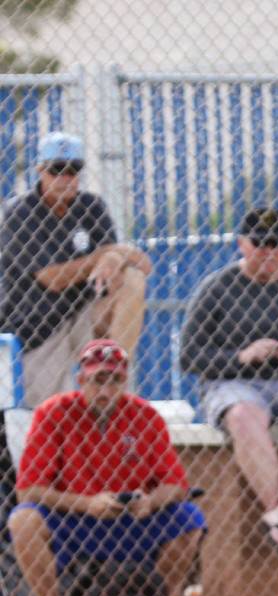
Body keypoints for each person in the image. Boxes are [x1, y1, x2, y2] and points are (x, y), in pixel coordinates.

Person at [7, 339, 206, 596]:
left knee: (189, 518)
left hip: (132, 520)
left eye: (114, 380)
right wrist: (86, 504)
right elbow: (28, 490)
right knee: (23, 521)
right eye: (97, 380)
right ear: (81, 379)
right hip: (74, 519)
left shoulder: (144, 415)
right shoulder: (54, 412)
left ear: (124, 381)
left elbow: (176, 484)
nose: (105, 390)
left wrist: (149, 501)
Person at [180, 208, 278, 555]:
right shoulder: (218, 287)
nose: (267, 252)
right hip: (235, 381)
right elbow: (189, 356)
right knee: (243, 417)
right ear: (242, 245)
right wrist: (241, 357)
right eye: (259, 244)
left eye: (275, 244)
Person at [0, 131, 152, 407]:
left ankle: (113, 372)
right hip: (37, 327)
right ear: (40, 171)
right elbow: (53, 278)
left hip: (84, 313)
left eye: (72, 170)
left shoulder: (90, 206)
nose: (65, 178)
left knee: (132, 279)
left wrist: (115, 258)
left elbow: (141, 263)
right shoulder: (19, 213)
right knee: (44, 414)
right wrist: (106, 255)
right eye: (56, 170)